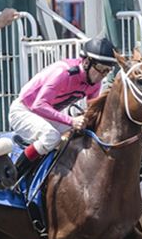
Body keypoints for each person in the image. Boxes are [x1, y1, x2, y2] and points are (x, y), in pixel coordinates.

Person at [9, 37, 117, 178]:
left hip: (45, 114)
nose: (102, 76)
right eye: (101, 69)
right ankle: (14, 175)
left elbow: (91, 112)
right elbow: (38, 105)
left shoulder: (94, 83)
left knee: (81, 136)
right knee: (51, 136)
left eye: (107, 71)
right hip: (23, 110)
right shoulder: (63, 73)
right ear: (86, 62)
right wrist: (72, 121)